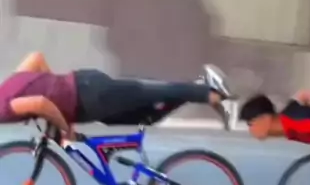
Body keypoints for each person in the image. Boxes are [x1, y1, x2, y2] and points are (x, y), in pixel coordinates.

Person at [0, 52, 226, 140]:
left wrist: (63, 126)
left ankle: (208, 92)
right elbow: (36, 59)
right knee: (147, 115)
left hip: (93, 97)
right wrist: (58, 93)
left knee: (148, 94)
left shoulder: (2, 108)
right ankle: (193, 90)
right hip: (86, 85)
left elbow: (39, 103)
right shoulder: (7, 86)